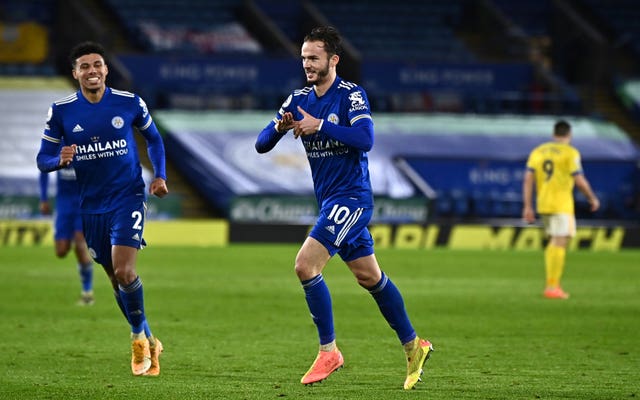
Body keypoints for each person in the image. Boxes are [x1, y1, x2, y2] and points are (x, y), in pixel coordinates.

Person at [255, 26, 433, 390]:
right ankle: (414, 344)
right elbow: (260, 145)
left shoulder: (351, 96)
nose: (307, 64)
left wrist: (319, 125)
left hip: (351, 199)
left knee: (305, 265)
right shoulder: (298, 98)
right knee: (369, 277)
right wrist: (281, 126)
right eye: (304, 57)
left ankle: (328, 351)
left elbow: (365, 139)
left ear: (333, 60)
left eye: (314, 58)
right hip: (329, 201)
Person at [36, 41, 168, 376]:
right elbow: (42, 159)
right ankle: (152, 338)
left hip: (127, 196)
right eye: (85, 66)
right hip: (90, 205)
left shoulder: (128, 103)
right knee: (113, 279)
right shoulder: (62, 111)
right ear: (75, 73)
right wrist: (57, 161)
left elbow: (153, 138)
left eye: (98, 65)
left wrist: (160, 175)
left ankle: (138, 339)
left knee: (125, 271)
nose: (92, 71)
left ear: (106, 69)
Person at [522, 120, 600, 299]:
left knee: (553, 242)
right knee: (560, 242)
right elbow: (579, 180)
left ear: (553, 134)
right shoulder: (570, 152)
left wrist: (527, 205)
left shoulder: (538, 151)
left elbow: (528, 178)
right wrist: (591, 197)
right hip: (561, 204)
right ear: (569, 135)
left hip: (543, 204)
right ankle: (552, 286)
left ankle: (551, 284)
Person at [39, 164, 95, 306]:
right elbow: (44, 170)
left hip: (83, 203)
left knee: (80, 245)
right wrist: (44, 198)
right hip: (64, 205)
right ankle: (83, 264)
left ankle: (87, 293)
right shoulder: (58, 148)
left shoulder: (84, 147)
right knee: (61, 251)